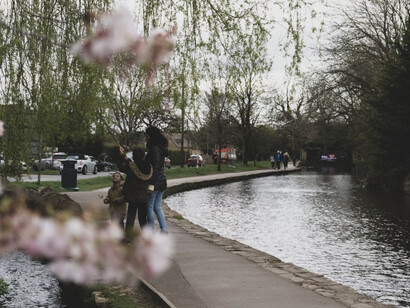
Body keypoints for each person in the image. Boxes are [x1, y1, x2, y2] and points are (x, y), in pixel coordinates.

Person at [118, 147, 153, 239]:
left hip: (132, 196)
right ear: (143, 156)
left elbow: (122, 167)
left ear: (134, 156)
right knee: (143, 219)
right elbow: (152, 179)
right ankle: (147, 238)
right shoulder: (149, 166)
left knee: (130, 218)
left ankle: (128, 237)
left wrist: (122, 156)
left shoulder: (131, 166)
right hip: (144, 196)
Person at [145, 126, 169, 233]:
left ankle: (150, 230)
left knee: (149, 207)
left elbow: (155, 167)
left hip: (155, 181)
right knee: (157, 207)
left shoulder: (154, 149)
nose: (145, 137)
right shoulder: (161, 148)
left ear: (151, 136)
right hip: (162, 180)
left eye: (147, 135)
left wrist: (151, 184)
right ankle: (163, 229)